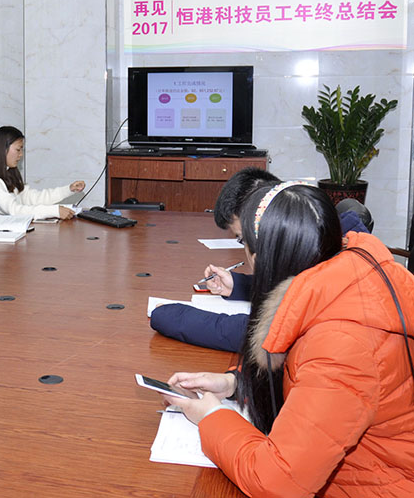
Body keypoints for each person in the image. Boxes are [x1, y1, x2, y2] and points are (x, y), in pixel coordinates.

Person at [164, 182, 414, 497]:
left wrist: (211, 418)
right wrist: (236, 383)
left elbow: (276, 483)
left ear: (261, 256)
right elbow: (309, 378)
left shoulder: (343, 346)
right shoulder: (345, 279)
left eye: (244, 243)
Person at [149, 167, 371, 352]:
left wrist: (171, 315)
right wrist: (239, 285)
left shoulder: (334, 280)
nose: (252, 253)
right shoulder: (331, 244)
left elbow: (256, 333)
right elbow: (287, 286)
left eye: (244, 238)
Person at [0, 126, 84, 220]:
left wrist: (69, 189)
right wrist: (54, 211)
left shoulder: (9, 173)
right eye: (18, 149)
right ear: (3, 149)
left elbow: (33, 198)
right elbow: (15, 211)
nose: (21, 154)